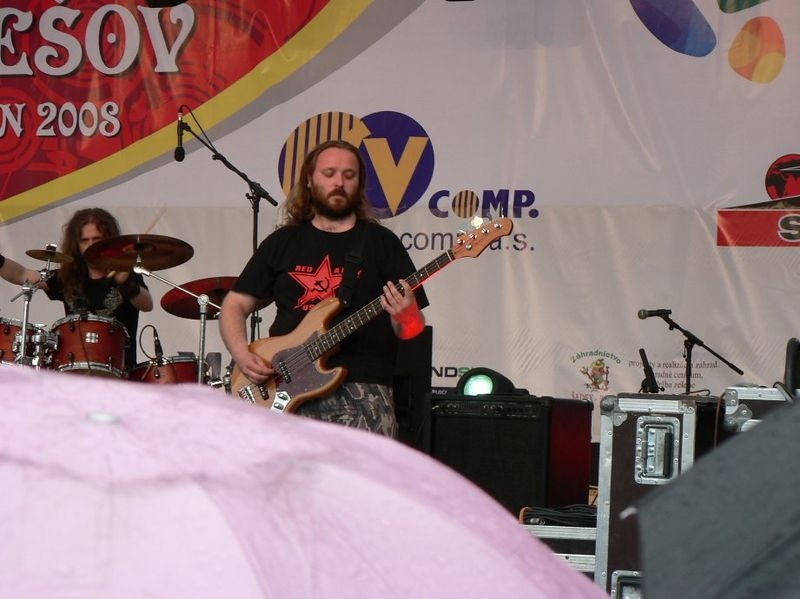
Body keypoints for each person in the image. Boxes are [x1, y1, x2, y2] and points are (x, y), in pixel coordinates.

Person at [220, 139, 428, 437]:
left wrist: (407, 316)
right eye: (329, 173)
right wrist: (242, 353)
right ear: (309, 178)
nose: (339, 182)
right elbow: (233, 305)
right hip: (283, 393)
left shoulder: (382, 244)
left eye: (349, 175)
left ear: (359, 183)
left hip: (362, 396)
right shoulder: (283, 242)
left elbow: (411, 329)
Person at [0, 207, 153, 369]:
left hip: (119, 369)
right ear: (77, 245)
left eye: (97, 239)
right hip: (74, 369)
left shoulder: (125, 272)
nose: (91, 245)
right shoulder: (69, 277)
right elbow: (22, 274)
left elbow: (147, 304)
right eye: (85, 240)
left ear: (109, 240)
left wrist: (127, 284)